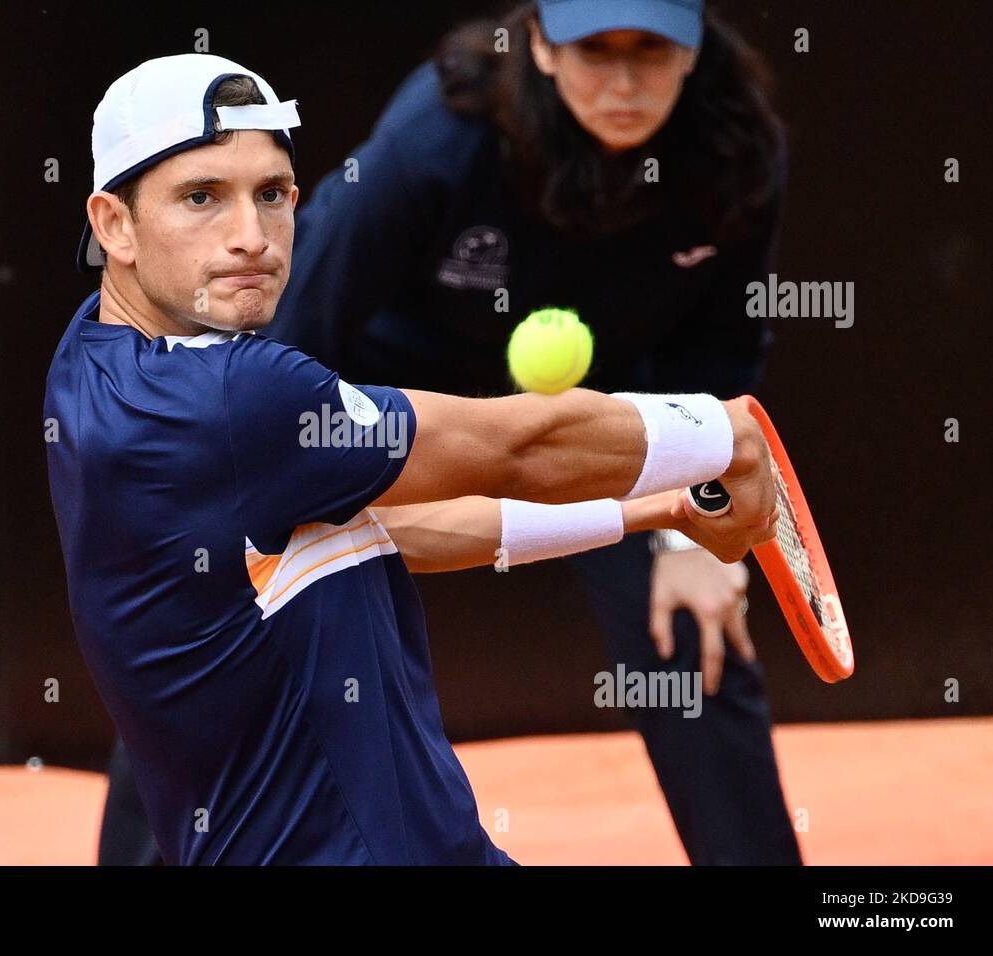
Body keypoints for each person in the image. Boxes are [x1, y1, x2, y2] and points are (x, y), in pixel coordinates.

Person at [46, 52, 778, 865]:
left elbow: (394, 530)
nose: (251, 238)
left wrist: (654, 511)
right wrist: (718, 435)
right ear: (113, 223)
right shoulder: (240, 400)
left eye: (273, 194)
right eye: (200, 198)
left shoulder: (92, 362)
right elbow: (512, 447)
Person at [263, 0, 802, 865]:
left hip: (606, 409)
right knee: (245, 596)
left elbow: (724, 349)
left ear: (695, 51)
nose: (624, 82)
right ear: (543, 49)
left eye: (652, 52)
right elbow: (304, 313)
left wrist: (698, 538)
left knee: (696, 633)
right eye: (596, 50)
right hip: (412, 395)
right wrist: (251, 493)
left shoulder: (738, 150)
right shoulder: (437, 136)